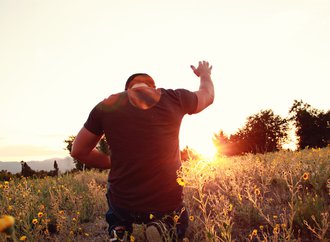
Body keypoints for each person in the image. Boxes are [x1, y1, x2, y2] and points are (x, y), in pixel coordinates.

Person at [71, 61, 214, 241]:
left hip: (124, 202)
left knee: (114, 193)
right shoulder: (174, 98)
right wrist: (204, 75)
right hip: (165, 201)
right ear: (152, 86)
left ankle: (119, 228)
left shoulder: (107, 105)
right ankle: (164, 227)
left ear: (127, 89)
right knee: (177, 218)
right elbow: (207, 95)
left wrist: (113, 163)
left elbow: (78, 151)